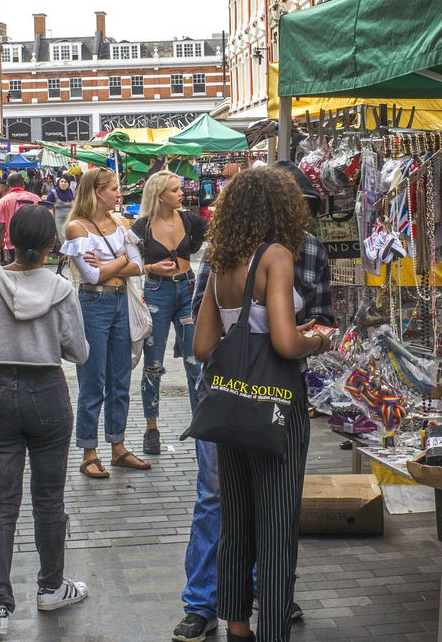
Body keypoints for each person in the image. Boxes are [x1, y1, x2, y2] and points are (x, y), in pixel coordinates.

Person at [175, 165, 334, 642]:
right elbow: (286, 343)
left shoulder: (222, 260)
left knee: (236, 520)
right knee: (278, 525)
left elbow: (203, 346)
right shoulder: (277, 257)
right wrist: (319, 341)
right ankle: (272, 634)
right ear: (282, 209)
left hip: (230, 408)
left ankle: (237, 628)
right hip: (275, 407)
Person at [0, 205, 90, 634]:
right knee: (49, 499)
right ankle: (51, 588)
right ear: (53, 244)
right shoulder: (61, 288)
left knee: (0, 503)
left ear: (7, 238)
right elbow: (78, 352)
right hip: (48, 393)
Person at [61, 167, 150, 479]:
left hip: (119, 301)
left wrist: (115, 265)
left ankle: (117, 447)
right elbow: (93, 275)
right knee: (93, 381)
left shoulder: (120, 223)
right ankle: (89, 452)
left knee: (120, 380)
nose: (118, 193)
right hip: (94, 304)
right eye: (113, 188)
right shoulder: (76, 228)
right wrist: (123, 261)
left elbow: (140, 266)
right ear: (98, 192)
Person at [131, 171, 207, 456]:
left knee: (194, 360)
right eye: (175, 190)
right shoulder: (142, 227)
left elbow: (208, 236)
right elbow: (130, 262)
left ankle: (200, 423)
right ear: (160, 195)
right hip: (156, 293)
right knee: (153, 363)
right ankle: (151, 428)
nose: (182, 194)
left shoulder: (189, 220)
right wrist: (150, 268)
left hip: (188, 289)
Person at [0, 172, 40, 264]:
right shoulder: (36, 198)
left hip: (13, 244)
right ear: (23, 184)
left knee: (16, 273)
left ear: (7, 185)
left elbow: (1, 228)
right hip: (35, 243)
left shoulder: (3, 201)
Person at [45, 175, 75, 245]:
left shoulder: (71, 192)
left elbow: (76, 203)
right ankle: (65, 254)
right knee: (63, 239)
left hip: (70, 219)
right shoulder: (53, 193)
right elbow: (47, 206)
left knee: (72, 237)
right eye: (61, 181)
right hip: (59, 220)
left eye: (65, 182)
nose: (63, 184)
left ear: (69, 183)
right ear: (58, 182)